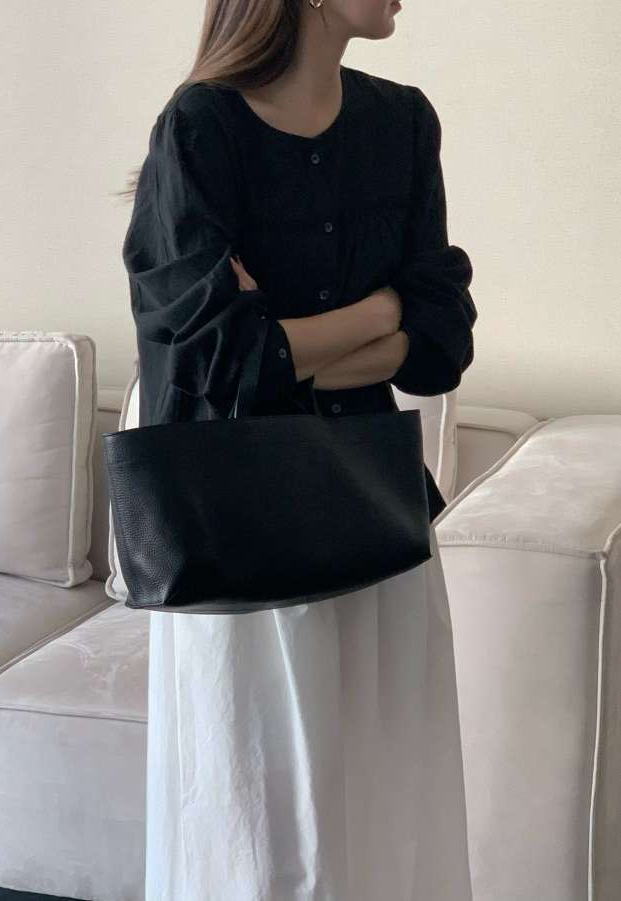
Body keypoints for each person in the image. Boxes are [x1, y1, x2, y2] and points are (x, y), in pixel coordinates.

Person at [121, 0, 478, 898]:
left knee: (388, 795)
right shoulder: (199, 128)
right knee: (259, 831)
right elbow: (209, 359)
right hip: (238, 533)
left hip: (374, 517)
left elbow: (442, 338)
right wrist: (380, 308)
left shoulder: (401, 122)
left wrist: (282, 344)